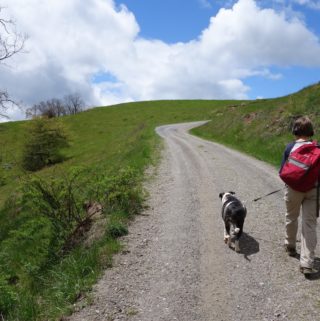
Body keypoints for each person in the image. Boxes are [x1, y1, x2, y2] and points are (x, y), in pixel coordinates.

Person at [279, 116, 318, 275]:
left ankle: (290, 246)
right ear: (311, 131)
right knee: (309, 224)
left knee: (291, 217)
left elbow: (283, 171)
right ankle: (307, 263)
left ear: (295, 131)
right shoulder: (318, 149)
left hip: (293, 189)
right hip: (314, 190)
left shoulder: (290, 148)